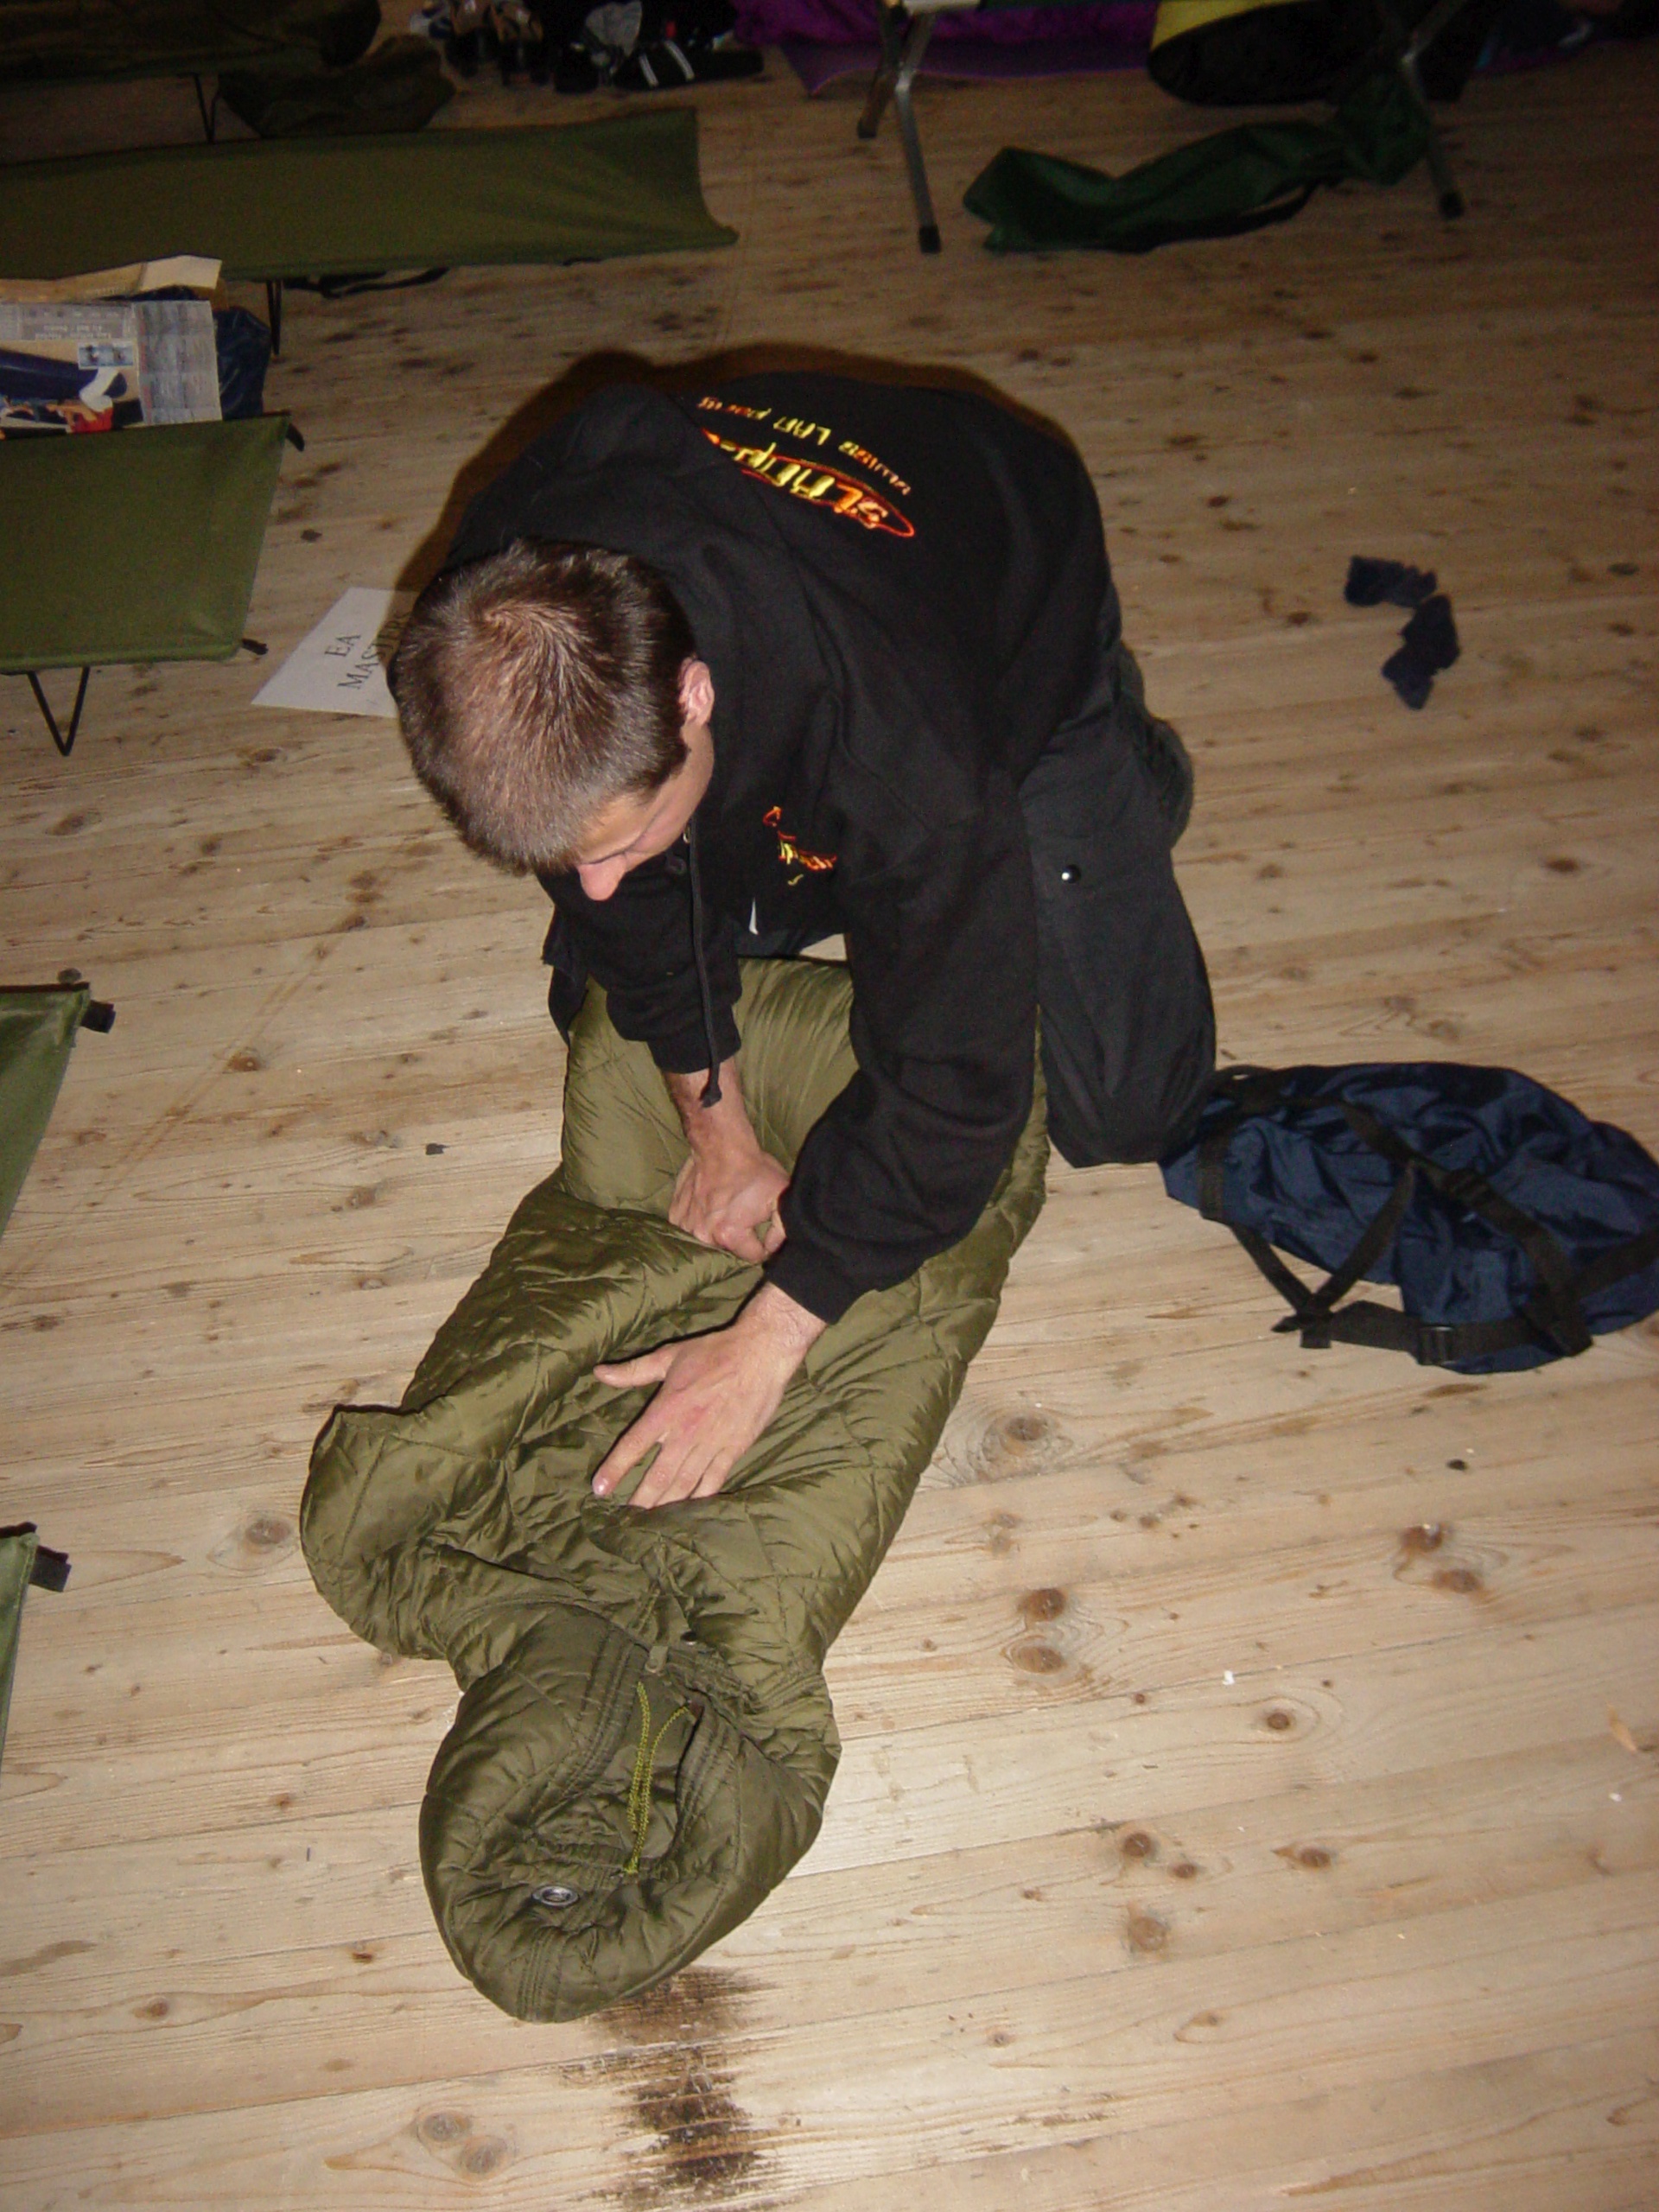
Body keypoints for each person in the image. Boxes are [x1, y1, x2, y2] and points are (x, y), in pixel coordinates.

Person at [391, 369, 1215, 1512]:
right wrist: (715, 1126)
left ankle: (1125, 770)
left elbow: (954, 1091)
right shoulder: (490, 617)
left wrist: (770, 1336)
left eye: (622, 843)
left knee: (1128, 1108)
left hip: (1011, 617)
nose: (594, 884)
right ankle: (746, 848)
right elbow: (618, 905)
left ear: (691, 697)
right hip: (799, 646)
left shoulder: (908, 746)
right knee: (607, 986)